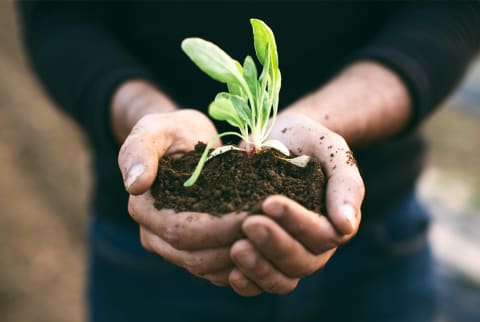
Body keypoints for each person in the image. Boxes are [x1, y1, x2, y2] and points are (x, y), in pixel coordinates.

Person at [17, 1, 480, 322]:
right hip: (150, 256)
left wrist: (318, 119)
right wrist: (144, 115)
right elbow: (60, 15)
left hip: (375, 250)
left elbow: (449, 10)